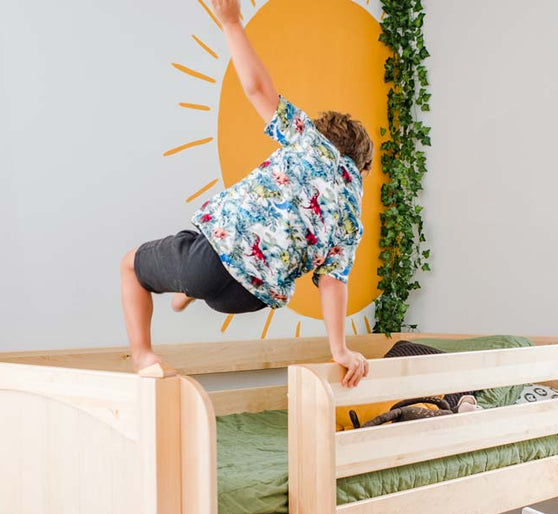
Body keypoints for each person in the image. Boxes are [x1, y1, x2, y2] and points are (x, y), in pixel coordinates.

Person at [119, 0, 374, 387]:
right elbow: (333, 282)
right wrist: (339, 349)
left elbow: (257, 89)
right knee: (203, 264)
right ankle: (186, 294)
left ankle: (142, 355)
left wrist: (232, 22)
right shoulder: (352, 218)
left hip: (211, 260)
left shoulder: (309, 139)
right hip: (250, 298)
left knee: (129, 266)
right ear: (361, 169)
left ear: (324, 133)